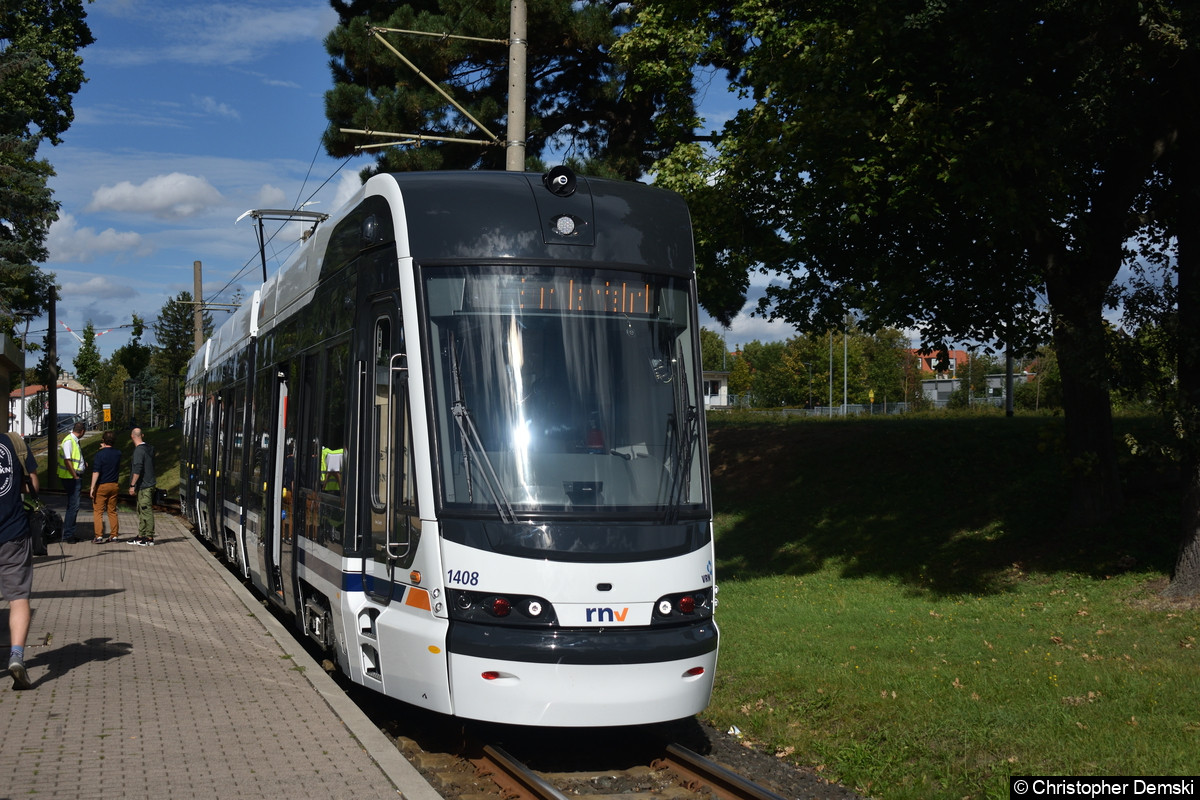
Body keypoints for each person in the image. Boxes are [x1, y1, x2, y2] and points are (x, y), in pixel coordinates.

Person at [2, 430, 40, 689]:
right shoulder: (14, 442)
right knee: (18, 598)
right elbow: (34, 486)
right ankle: (16, 657)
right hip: (13, 533)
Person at [89, 430, 121, 543]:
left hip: (102, 486)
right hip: (114, 485)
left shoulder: (99, 454)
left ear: (103, 440)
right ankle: (114, 535)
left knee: (98, 512)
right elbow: (111, 455)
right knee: (112, 511)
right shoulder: (118, 453)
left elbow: (96, 471)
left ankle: (98, 536)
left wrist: (92, 487)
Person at [57, 421, 86, 543]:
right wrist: (75, 476)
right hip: (70, 478)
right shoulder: (69, 441)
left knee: (73, 506)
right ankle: (68, 534)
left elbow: (74, 459)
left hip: (72, 477)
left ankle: (70, 533)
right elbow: (67, 461)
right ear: (82, 431)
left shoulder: (73, 441)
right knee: (73, 506)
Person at [127, 427, 156, 546]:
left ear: (132, 436)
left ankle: (149, 537)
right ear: (142, 435)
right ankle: (141, 535)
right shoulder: (149, 448)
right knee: (142, 510)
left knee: (146, 510)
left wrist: (132, 485)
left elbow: (137, 469)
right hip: (148, 484)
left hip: (144, 485)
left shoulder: (139, 451)